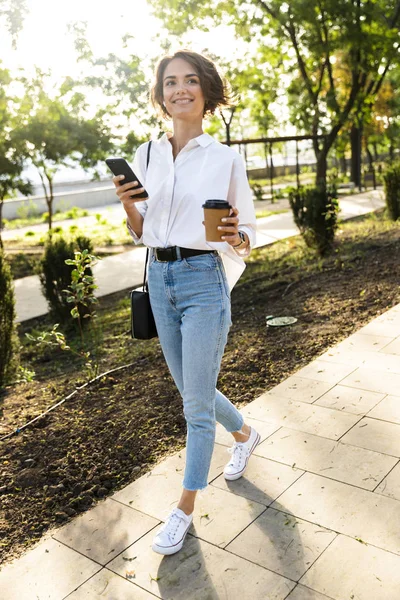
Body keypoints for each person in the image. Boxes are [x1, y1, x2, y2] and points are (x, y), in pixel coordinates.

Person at [112, 50, 259, 556]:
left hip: (203, 280)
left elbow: (247, 237)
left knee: (194, 407)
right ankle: (244, 435)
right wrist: (130, 203)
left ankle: (184, 509)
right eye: (170, 82)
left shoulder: (225, 158)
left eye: (190, 81)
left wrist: (236, 234)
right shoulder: (146, 154)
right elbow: (142, 232)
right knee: (193, 392)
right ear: (160, 95)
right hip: (160, 277)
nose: (180, 89)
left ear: (206, 91)